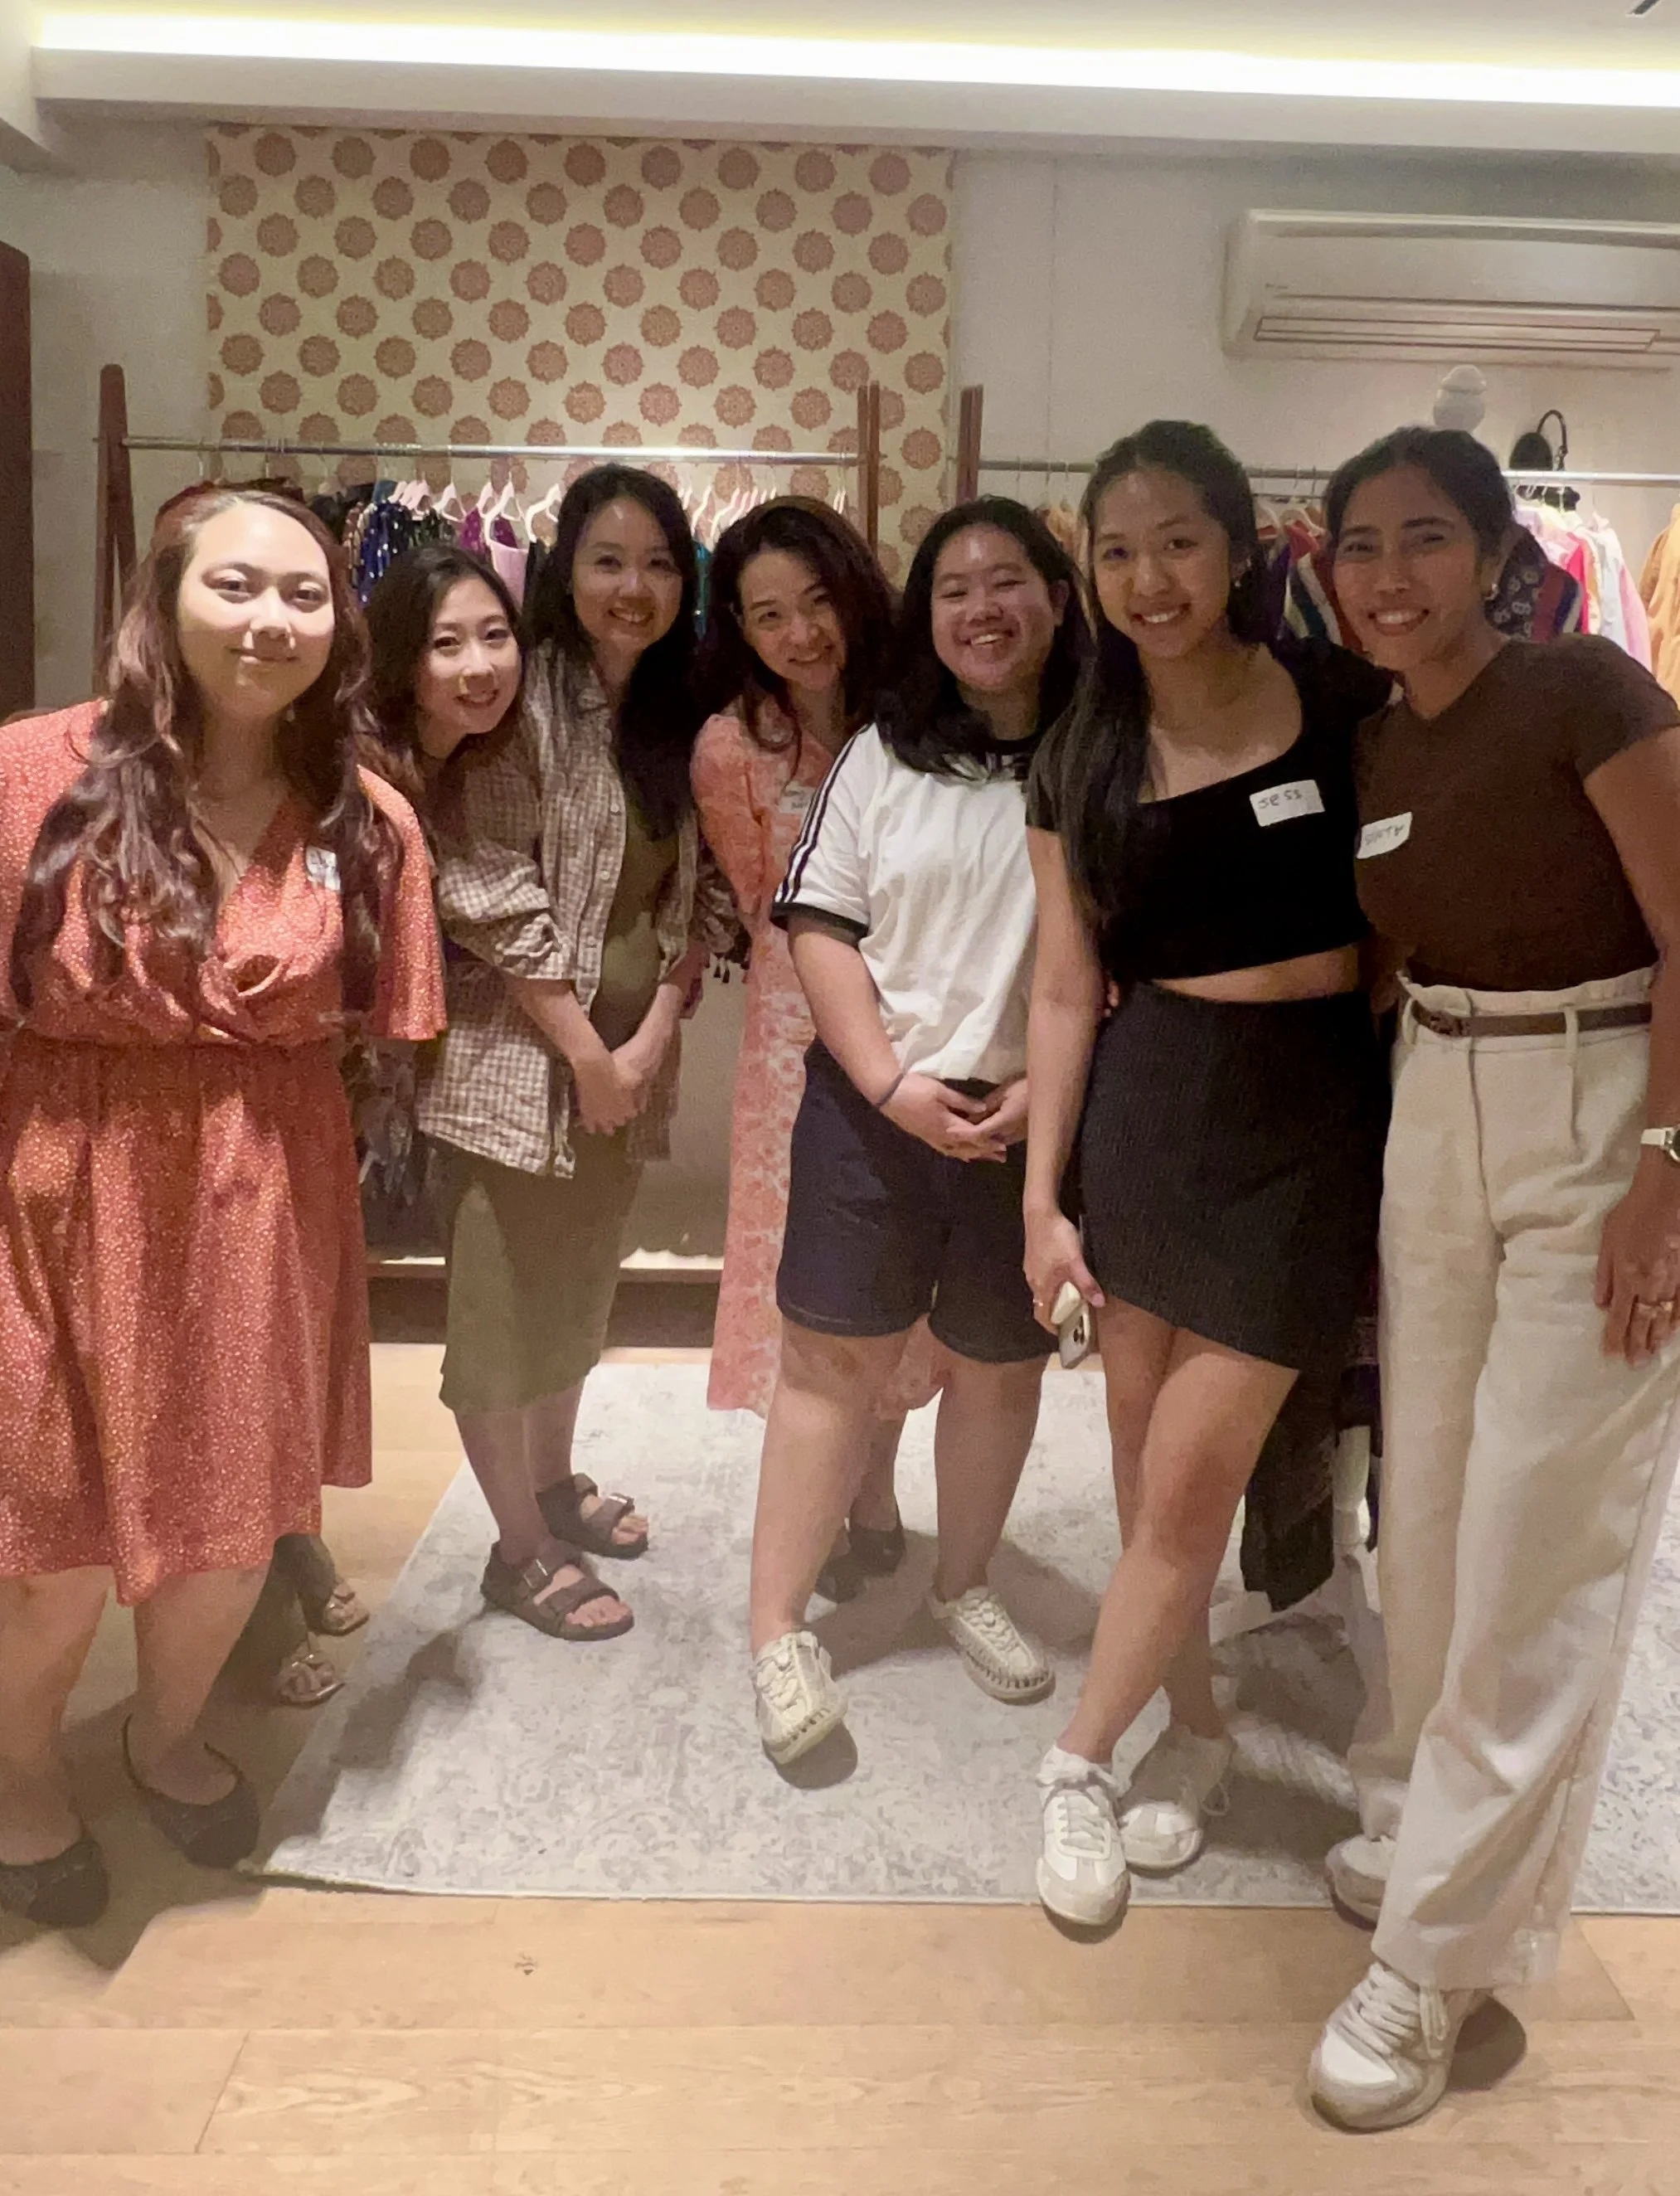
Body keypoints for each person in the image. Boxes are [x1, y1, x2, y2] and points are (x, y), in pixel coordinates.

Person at [1301, 427, 1680, 2131]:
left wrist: (1665, 1173)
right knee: (1431, 1501)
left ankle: (1436, 1960)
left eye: (1425, 538)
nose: (1388, 573)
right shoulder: (1379, 733)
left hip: (1600, 1100)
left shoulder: (1585, 688)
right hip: (1433, 1108)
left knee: (1542, 1527)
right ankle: (1406, 1813)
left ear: (1491, 551)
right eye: (1359, 544)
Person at [0, 491, 443, 1928]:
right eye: (237, 588)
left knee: (228, 1527)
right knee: (45, 1538)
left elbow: (387, 1024)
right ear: (166, 600)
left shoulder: (364, 819)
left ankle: (166, 1733)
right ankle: (17, 1773)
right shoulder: (26, 774)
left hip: (263, 1189)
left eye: (305, 597)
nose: (271, 622)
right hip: (57, 1180)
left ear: (340, 625)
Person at [1022, 420, 1391, 1928]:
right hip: (1150, 1103)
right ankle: (1194, 1732)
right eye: (1115, 551)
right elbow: (1062, 987)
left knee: (1191, 1482)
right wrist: (1039, 1198)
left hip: (1305, 1118)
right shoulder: (1082, 751)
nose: (1147, 576)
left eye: (1176, 539)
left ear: (1242, 546)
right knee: (1137, 1474)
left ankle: (1077, 1765)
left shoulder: (1342, 703)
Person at [747, 497, 1090, 1765]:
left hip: (1030, 1119)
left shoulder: (1105, 752)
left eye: (1009, 581)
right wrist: (890, 1086)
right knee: (830, 1365)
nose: (981, 607)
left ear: (1058, 601)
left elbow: (1123, 954)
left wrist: (1041, 1103)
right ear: (927, 615)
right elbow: (817, 922)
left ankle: (962, 1579)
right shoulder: (886, 753)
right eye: (953, 587)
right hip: (874, 1108)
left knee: (1000, 1365)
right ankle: (776, 1624)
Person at [415, 465, 736, 1642]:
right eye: (607, 560)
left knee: (575, 1296)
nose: (633, 586)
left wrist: (647, 1042)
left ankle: (553, 1484)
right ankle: (517, 1548)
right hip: (514, 1066)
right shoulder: (518, 698)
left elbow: (700, 903)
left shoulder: (677, 714)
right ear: (564, 571)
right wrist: (587, 1054)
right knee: (499, 1315)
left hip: (629, 1071)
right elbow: (487, 889)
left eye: (659, 563)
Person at [693, 498, 940, 1596]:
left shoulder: (925, 723)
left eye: (814, 603)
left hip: (928, 1022)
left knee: (905, 1277)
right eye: (766, 616)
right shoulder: (731, 746)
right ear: (739, 630)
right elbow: (762, 908)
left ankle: (875, 1488)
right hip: (794, 1040)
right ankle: (818, 1493)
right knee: (815, 1281)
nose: (799, 634)